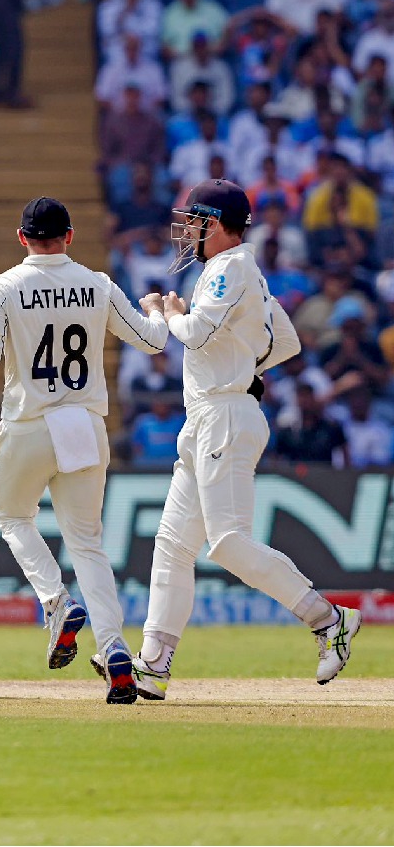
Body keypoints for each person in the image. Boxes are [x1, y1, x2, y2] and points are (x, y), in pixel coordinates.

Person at [131, 179, 361, 701]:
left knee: (228, 543)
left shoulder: (229, 267)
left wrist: (169, 312)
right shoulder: (243, 273)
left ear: (214, 223)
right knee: (171, 546)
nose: (187, 229)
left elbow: (192, 334)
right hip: (212, 413)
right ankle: (153, 664)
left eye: (194, 220)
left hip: (225, 415)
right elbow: (288, 341)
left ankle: (329, 620)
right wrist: (244, 360)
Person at [0, 197, 168, 705]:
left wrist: (2, 326)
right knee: (88, 545)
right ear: (70, 237)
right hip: (83, 425)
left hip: (30, 423)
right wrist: (162, 312)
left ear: (21, 238)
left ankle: (56, 601)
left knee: (12, 517)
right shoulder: (98, 283)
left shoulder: (4, 286)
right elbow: (152, 342)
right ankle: (118, 650)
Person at [0, 0, 29, 108]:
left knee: (3, 47)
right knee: (12, 46)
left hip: (2, 0)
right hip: (4, 0)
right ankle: (9, 92)